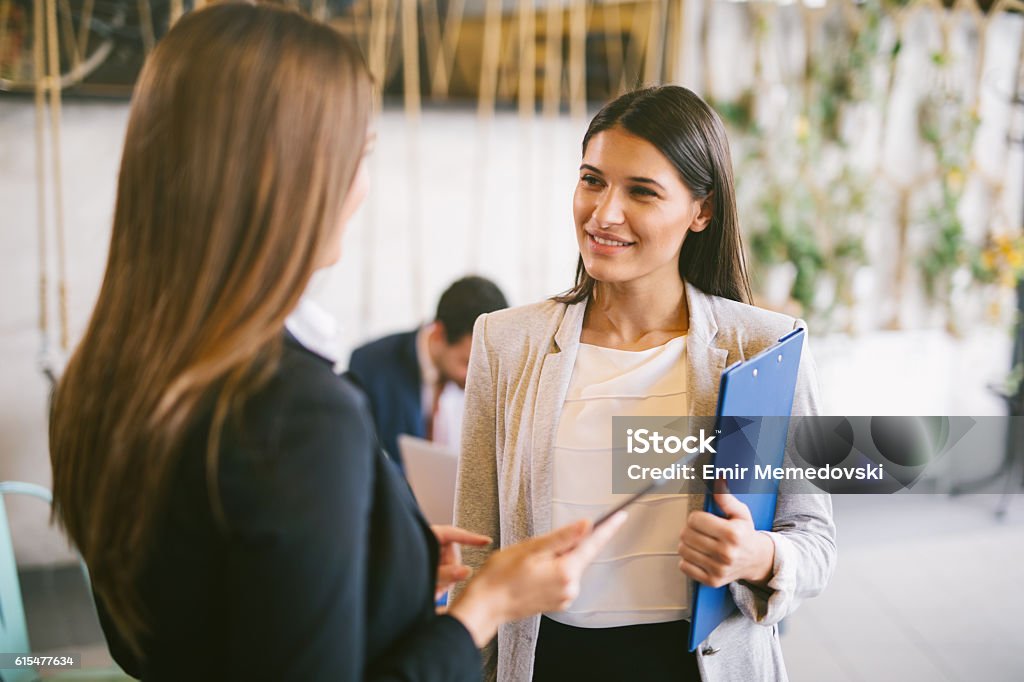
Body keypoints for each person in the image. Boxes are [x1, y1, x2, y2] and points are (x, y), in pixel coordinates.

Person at [47, 4, 626, 680]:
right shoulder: (297, 414)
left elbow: (215, 606)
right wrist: (488, 606)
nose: (362, 185)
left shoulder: (108, 371)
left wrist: (385, 564)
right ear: (287, 177)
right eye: (361, 155)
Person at [453, 86, 837, 682]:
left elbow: (813, 537)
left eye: (642, 191)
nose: (604, 213)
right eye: (591, 180)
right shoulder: (505, 342)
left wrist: (757, 555)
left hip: (693, 666)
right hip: (546, 661)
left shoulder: (766, 346)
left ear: (700, 211)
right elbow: (479, 548)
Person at [348, 276, 508, 467]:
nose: (477, 379)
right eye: (467, 364)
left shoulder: (493, 381)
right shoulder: (370, 365)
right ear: (439, 333)